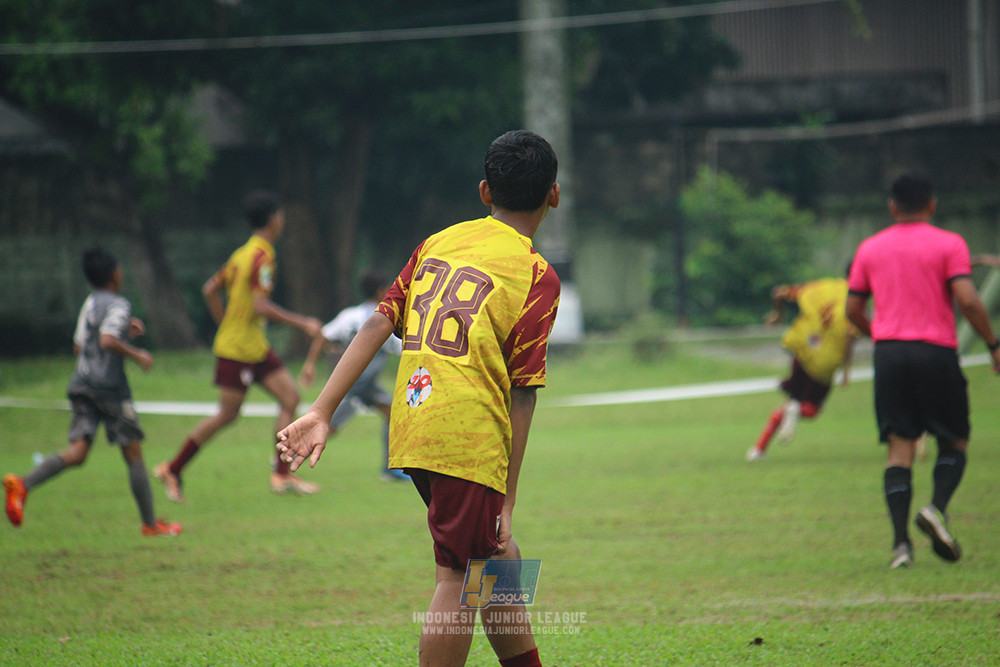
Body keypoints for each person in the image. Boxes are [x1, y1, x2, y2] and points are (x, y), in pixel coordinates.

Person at [276, 130, 560, 667]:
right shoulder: (537, 275)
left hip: (414, 423)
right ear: (554, 194)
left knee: (493, 556)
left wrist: (320, 409)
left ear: (483, 192)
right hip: (465, 436)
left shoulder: (439, 242)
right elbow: (523, 395)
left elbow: (378, 322)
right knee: (459, 572)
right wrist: (509, 498)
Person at [845, 174, 1000, 569]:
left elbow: (853, 311)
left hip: (890, 355)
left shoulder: (869, 248)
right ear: (931, 205)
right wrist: (993, 344)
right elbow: (967, 299)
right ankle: (935, 509)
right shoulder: (950, 244)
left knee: (900, 449)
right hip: (936, 352)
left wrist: (879, 335)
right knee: (955, 441)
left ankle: (901, 546)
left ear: (893, 208)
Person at [154, 190, 323, 502]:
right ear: (274, 219)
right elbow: (260, 306)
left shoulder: (242, 254)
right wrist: (303, 323)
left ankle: (281, 475)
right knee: (227, 415)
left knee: (290, 397)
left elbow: (209, 290)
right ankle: (173, 469)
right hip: (239, 351)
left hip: (253, 346)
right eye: (281, 215)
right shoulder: (262, 256)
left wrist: (226, 324)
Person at [4, 248, 181, 536]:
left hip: (82, 383)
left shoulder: (89, 304)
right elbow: (108, 340)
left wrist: (124, 336)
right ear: (115, 274)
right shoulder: (119, 304)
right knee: (133, 450)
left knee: (78, 452)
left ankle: (23, 484)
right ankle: (150, 524)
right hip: (109, 387)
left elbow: (80, 346)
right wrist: (137, 354)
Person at [298, 270, 406, 482]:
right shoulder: (384, 317)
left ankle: (389, 469)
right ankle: (292, 452)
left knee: (394, 415)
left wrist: (310, 365)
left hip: (367, 385)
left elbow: (323, 335)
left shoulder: (350, 315)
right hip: (353, 387)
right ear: (381, 290)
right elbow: (401, 348)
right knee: (328, 427)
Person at [747, 275, 857, 461]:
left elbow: (779, 293)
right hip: (824, 363)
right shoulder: (855, 299)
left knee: (792, 402)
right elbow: (850, 335)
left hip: (802, 349)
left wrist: (778, 315)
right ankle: (794, 411)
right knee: (811, 409)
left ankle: (758, 450)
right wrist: (847, 369)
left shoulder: (821, 286)